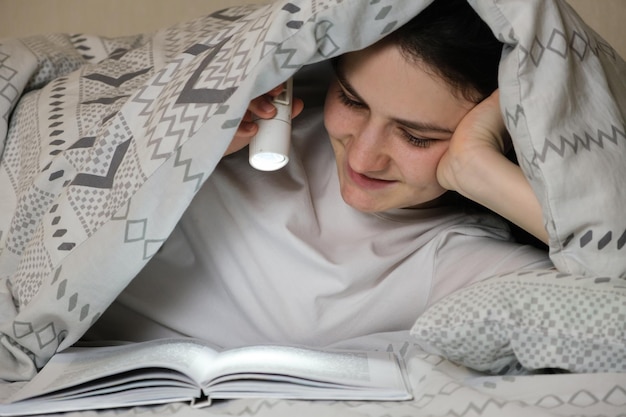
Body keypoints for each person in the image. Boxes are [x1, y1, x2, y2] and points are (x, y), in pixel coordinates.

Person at [85, 0, 552, 348]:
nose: (364, 158)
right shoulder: (252, 118)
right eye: (351, 100)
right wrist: (174, 148)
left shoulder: (453, 256)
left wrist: (480, 167)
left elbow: (613, 299)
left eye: (417, 137)